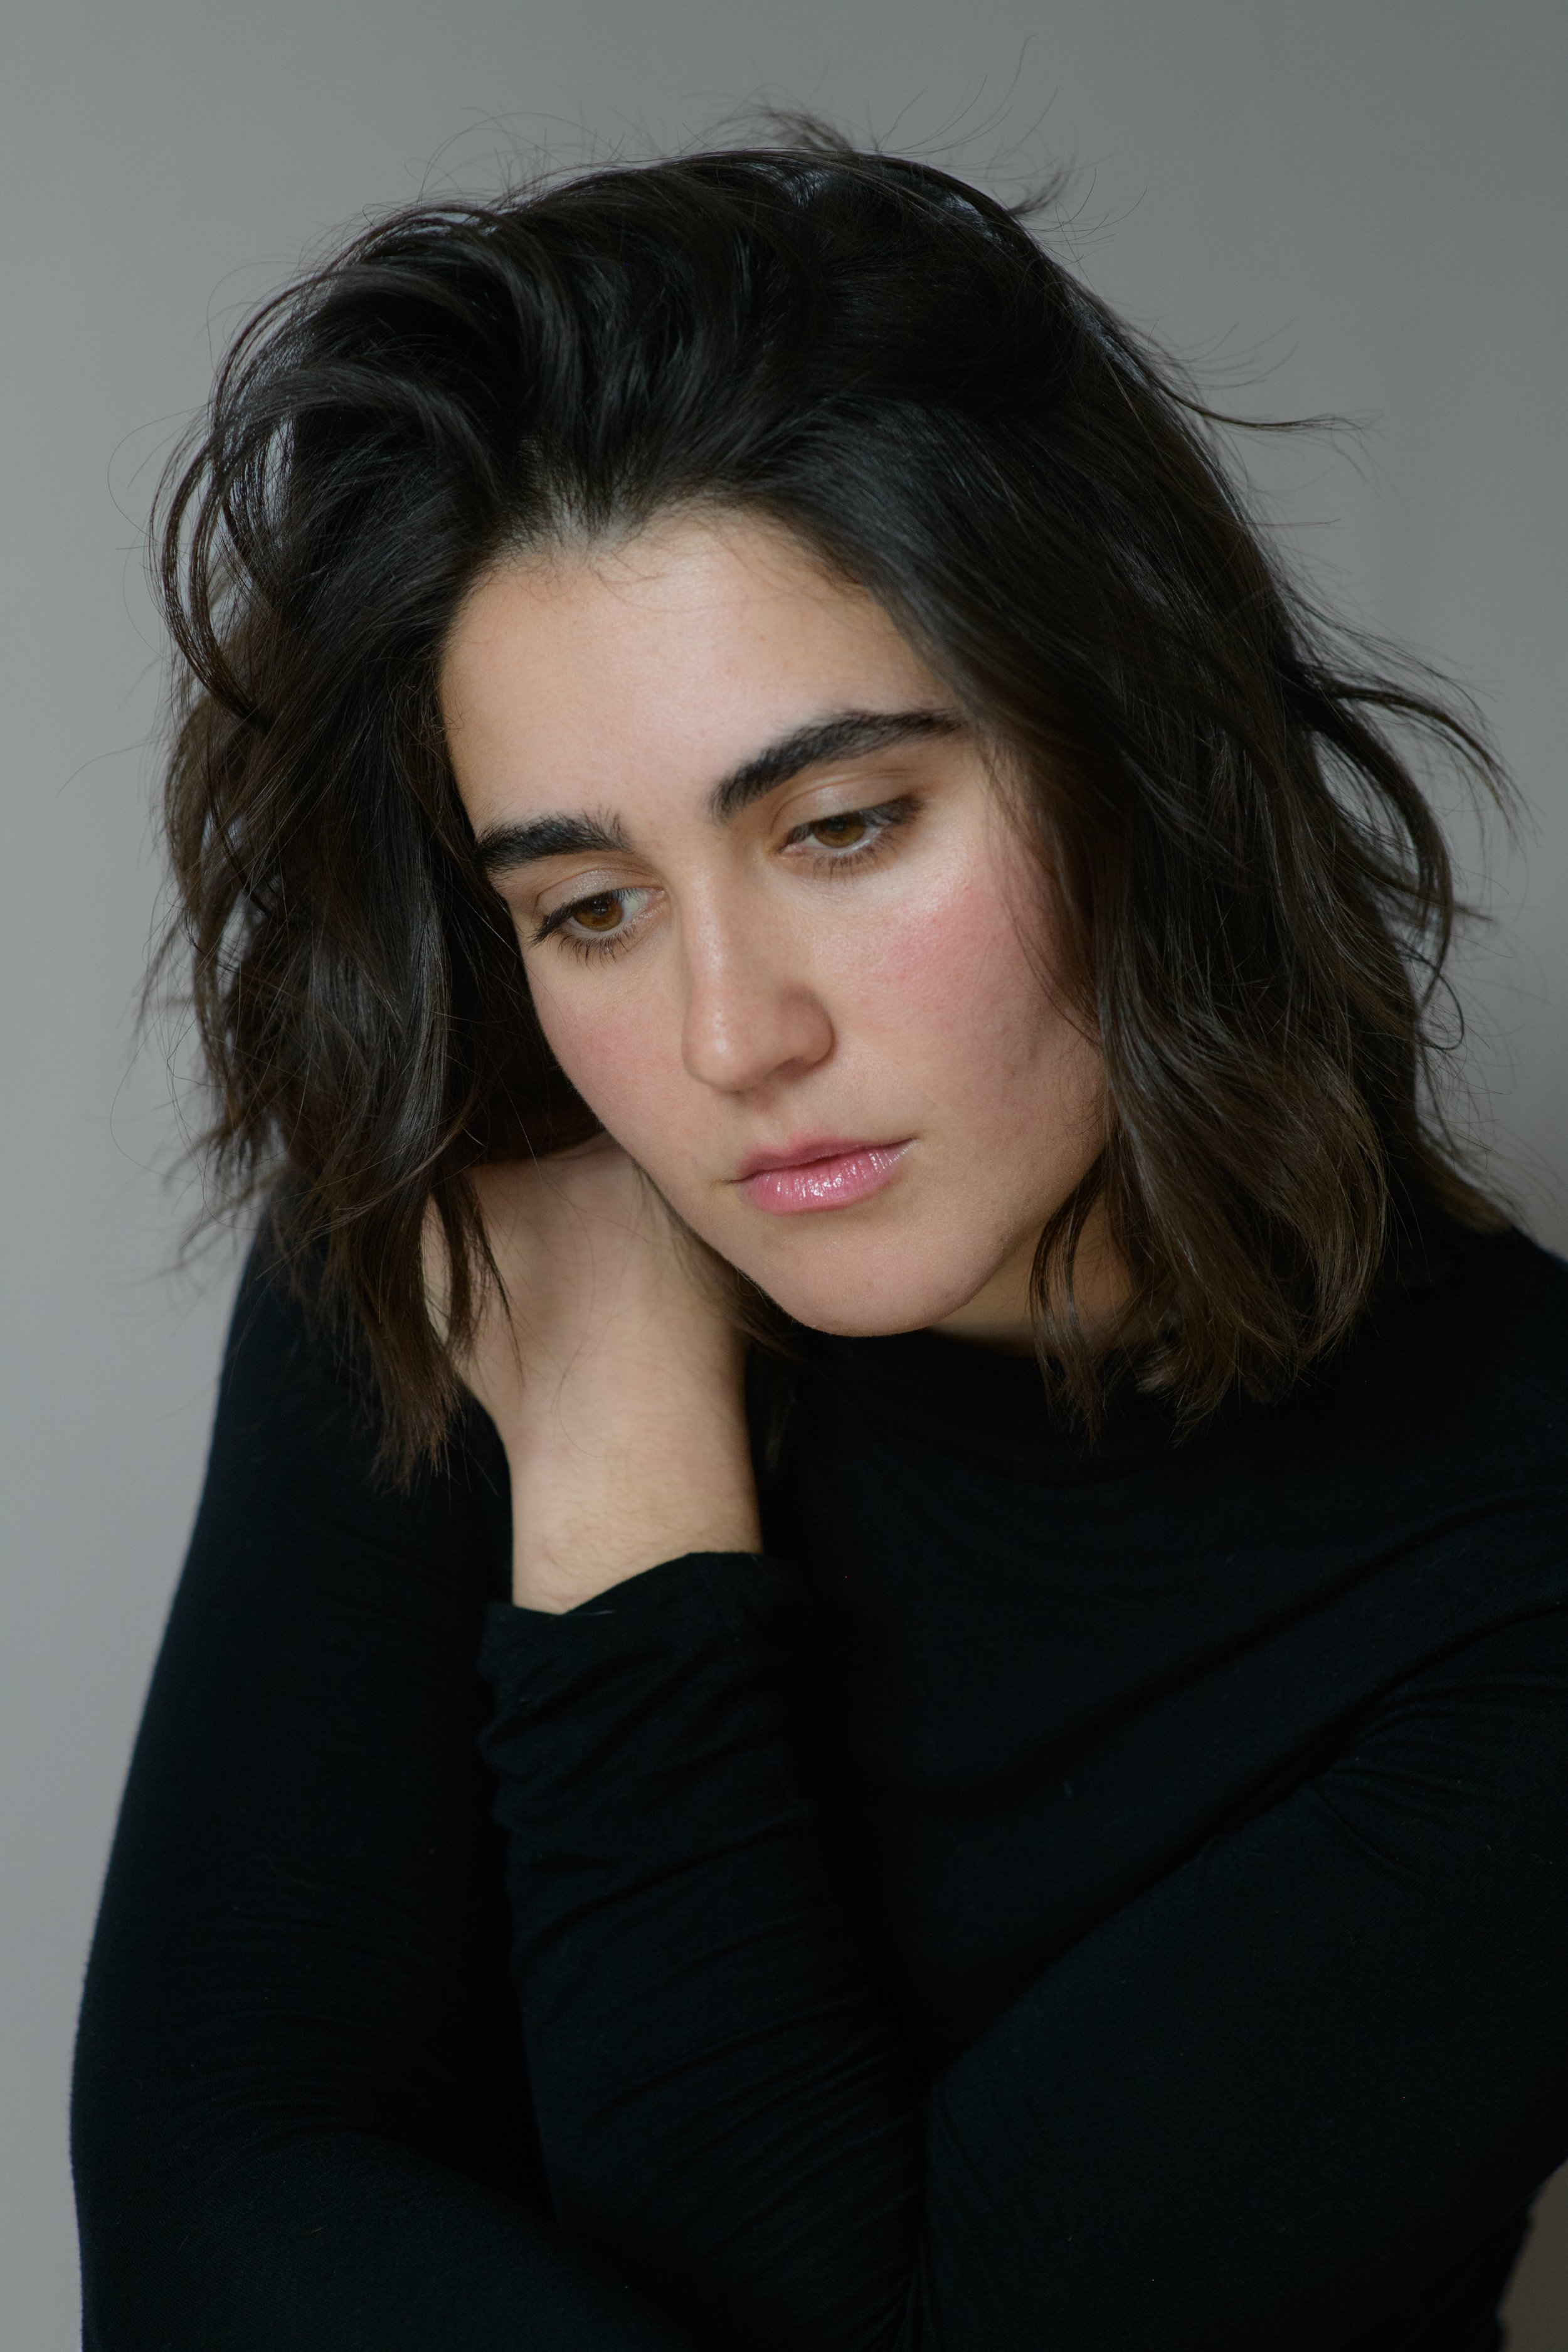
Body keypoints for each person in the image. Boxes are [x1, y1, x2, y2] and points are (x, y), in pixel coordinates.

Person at [72, 132, 1568, 2351]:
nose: (726, 1039)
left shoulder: (1520, 1555)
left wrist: (617, 1474)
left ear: (1137, 747)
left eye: (844, 826)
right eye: (591, 907)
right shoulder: (478, 1204)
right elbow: (211, 2204)